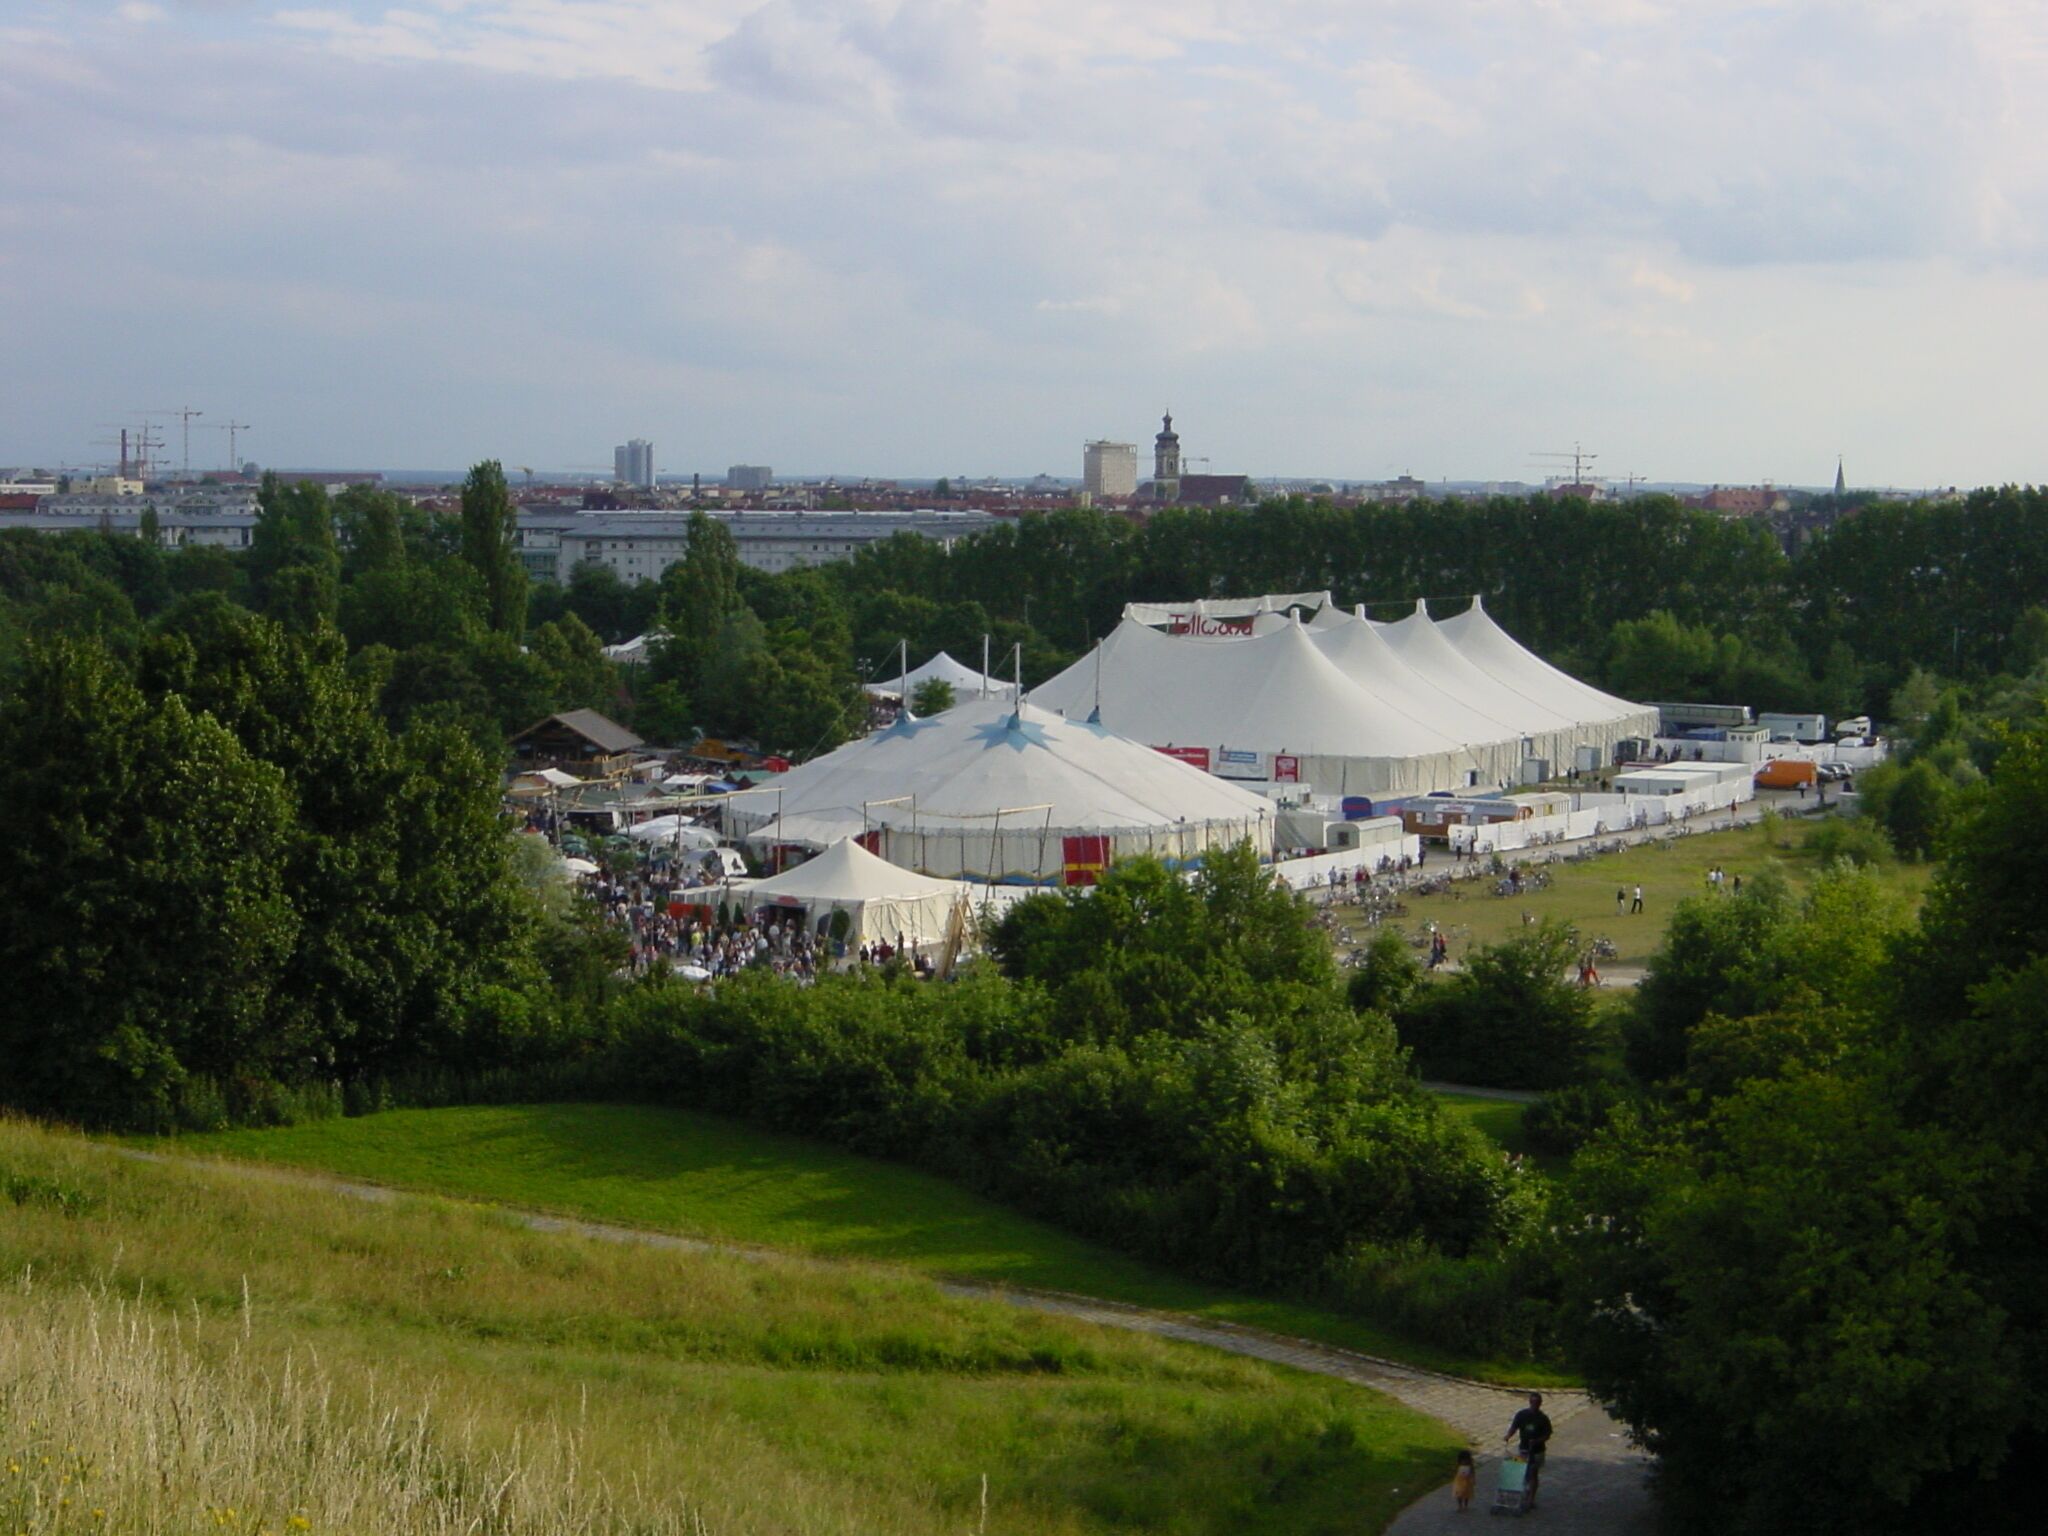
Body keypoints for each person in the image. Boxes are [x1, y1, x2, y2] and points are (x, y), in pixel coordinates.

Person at [1504, 1392, 1553, 1509]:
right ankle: (1523, 1494)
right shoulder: (1522, 1415)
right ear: (1529, 1402)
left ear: (1540, 1404)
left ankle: (1531, 1499)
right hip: (1524, 1449)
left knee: (1533, 1474)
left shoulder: (1543, 1418)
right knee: (1522, 1472)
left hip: (1537, 1451)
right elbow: (1514, 1427)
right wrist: (1508, 1436)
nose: (1534, 1404)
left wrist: (1537, 1441)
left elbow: (1547, 1434)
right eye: (1532, 1402)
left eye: (1537, 1402)